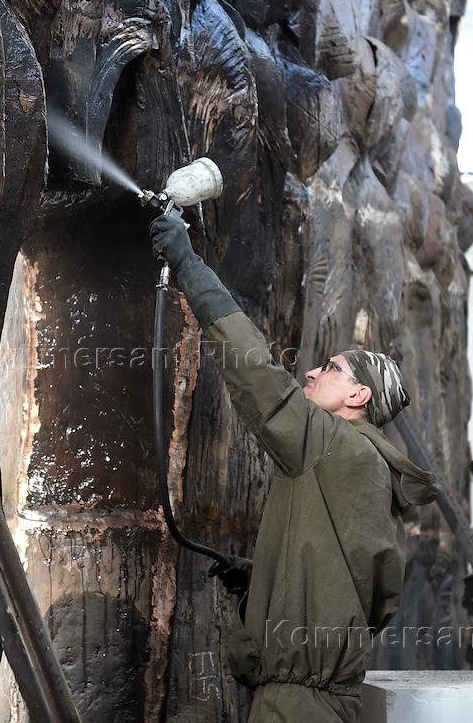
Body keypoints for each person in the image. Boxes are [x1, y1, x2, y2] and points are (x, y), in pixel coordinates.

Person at [150, 210, 439, 722]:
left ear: (358, 395)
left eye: (330, 368)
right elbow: (347, 585)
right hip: (324, 701)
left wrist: (188, 265)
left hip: (297, 705)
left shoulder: (335, 444)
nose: (310, 372)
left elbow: (259, 377)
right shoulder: (367, 468)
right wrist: (264, 583)